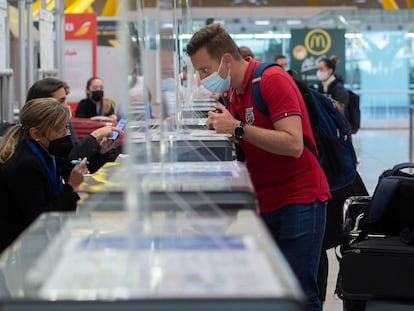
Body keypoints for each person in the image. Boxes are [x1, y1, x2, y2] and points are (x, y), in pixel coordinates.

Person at [186, 23, 330, 311]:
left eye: (204, 70)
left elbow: (293, 144)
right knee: (274, 289)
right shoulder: (234, 93)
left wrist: (238, 128)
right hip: (266, 199)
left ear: (227, 59)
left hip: (299, 198)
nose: (202, 79)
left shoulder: (271, 80)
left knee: (299, 293)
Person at [0, 98, 89, 252]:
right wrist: (71, 187)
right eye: (60, 129)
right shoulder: (25, 165)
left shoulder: (44, 151)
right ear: (36, 133)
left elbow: (68, 165)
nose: (67, 133)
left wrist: (99, 152)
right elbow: (42, 219)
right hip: (16, 249)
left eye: (67, 127)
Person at [26, 77, 123, 173]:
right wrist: (95, 135)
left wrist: (101, 152)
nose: (66, 106)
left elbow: (78, 164)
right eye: (61, 101)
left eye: (65, 100)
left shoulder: (66, 124)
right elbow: (69, 161)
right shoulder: (29, 158)